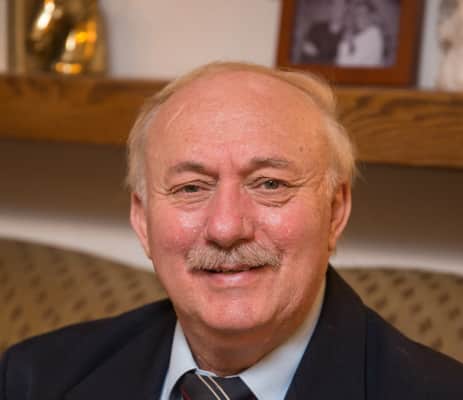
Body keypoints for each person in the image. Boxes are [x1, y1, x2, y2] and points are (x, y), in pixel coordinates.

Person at [1, 62, 462, 399]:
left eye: (269, 184)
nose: (226, 228)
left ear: (335, 211)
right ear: (142, 221)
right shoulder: (35, 379)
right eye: (190, 188)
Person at [336, 0, 385, 66]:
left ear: (371, 16)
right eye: (357, 14)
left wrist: (345, 43)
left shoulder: (373, 34)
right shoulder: (362, 35)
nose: (360, 17)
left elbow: (344, 63)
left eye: (364, 13)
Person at [299, 0, 347, 64]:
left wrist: (317, 55)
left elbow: (343, 62)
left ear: (345, 9)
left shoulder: (348, 34)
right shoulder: (316, 28)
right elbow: (305, 56)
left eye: (340, 6)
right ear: (329, 7)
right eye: (334, 5)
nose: (336, 9)